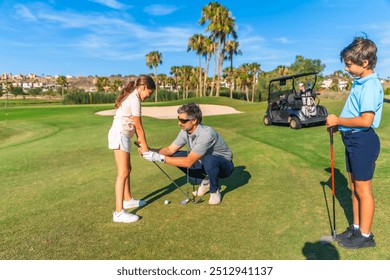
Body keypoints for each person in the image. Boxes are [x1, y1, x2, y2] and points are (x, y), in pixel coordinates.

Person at [326, 36, 383, 249]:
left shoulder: (369, 85)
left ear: (364, 63)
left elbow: (366, 121)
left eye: (349, 64)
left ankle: (366, 236)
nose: (346, 68)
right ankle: (356, 228)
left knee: (363, 190)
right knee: (354, 188)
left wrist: (338, 120)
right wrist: (338, 126)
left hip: (362, 140)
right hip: (352, 139)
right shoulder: (360, 82)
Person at [141, 103, 234, 205]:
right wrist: (149, 150)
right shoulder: (185, 131)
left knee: (209, 160)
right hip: (204, 162)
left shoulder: (206, 134)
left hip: (224, 166)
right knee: (175, 155)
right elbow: (169, 150)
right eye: (179, 119)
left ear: (194, 121)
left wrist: (159, 158)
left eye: (183, 121)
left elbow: (189, 162)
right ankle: (206, 181)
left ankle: (214, 191)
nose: (179, 123)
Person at [108, 75, 155, 223]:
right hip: (119, 135)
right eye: (150, 93)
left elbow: (133, 125)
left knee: (128, 169)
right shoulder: (135, 99)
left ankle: (127, 200)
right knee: (122, 173)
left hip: (124, 135)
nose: (149, 96)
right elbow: (139, 126)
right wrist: (145, 148)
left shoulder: (133, 96)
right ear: (144, 87)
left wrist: (139, 141)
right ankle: (119, 212)